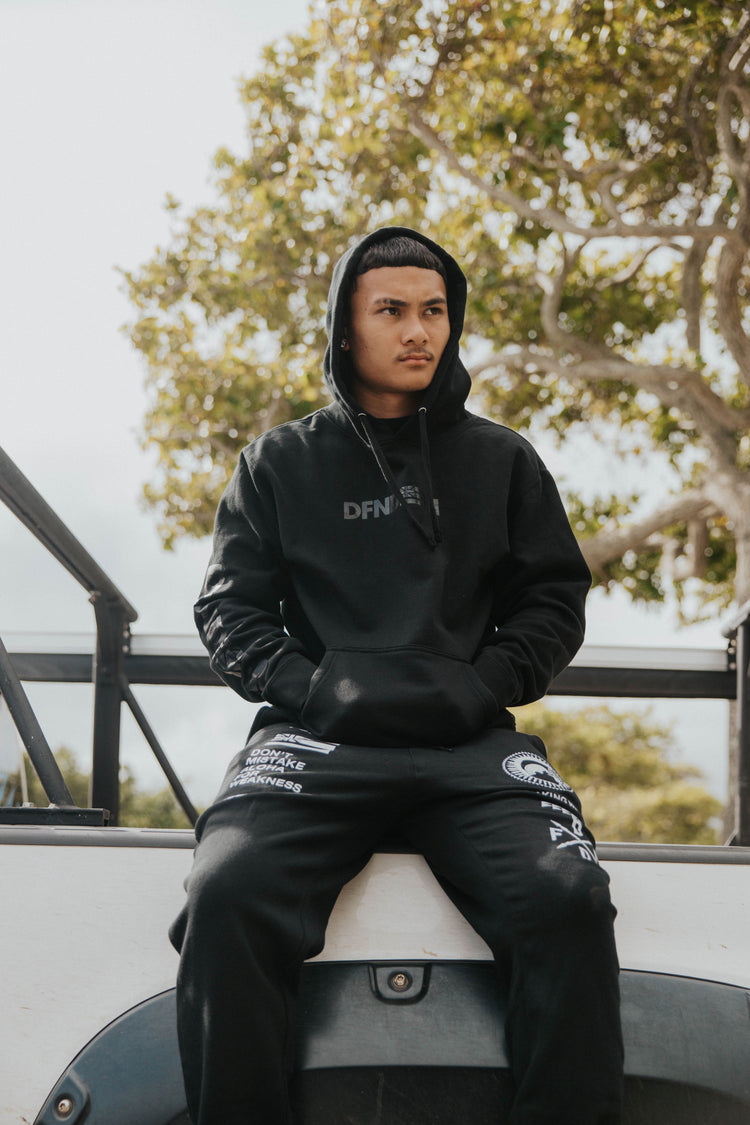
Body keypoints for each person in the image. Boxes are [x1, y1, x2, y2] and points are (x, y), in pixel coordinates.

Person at [170, 227, 624, 1124]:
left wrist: (482, 684)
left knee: (568, 896)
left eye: (435, 311)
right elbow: (230, 610)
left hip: (469, 745)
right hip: (318, 743)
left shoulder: (503, 459)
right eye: (392, 311)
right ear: (346, 328)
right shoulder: (278, 462)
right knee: (227, 892)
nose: (419, 331)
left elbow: (552, 600)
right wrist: (315, 690)